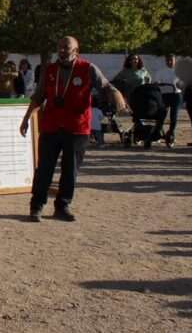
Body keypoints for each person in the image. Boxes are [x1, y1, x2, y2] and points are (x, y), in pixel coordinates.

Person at [20, 36, 127, 222]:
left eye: (66, 47)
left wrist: (115, 94)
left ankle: (62, 206)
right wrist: (26, 118)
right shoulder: (50, 70)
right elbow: (38, 96)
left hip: (76, 128)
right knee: (44, 169)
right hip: (51, 126)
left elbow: (106, 86)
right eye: (60, 47)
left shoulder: (88, 68)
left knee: (70, 171)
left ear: (76, 51)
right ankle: (36, 206)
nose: (62, 50)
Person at [151, 55, 183, 146]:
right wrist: (157, 83)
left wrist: (179, 85)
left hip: (176, 95)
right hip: (164, 95)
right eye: (168, 60)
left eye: (171, 60)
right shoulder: (161, 71)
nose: (169, 62)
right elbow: (156, 81)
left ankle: (171, 133)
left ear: (175, 60)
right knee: (161, 115)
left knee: (174, 116)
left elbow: (183, 84)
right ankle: (158, 133)